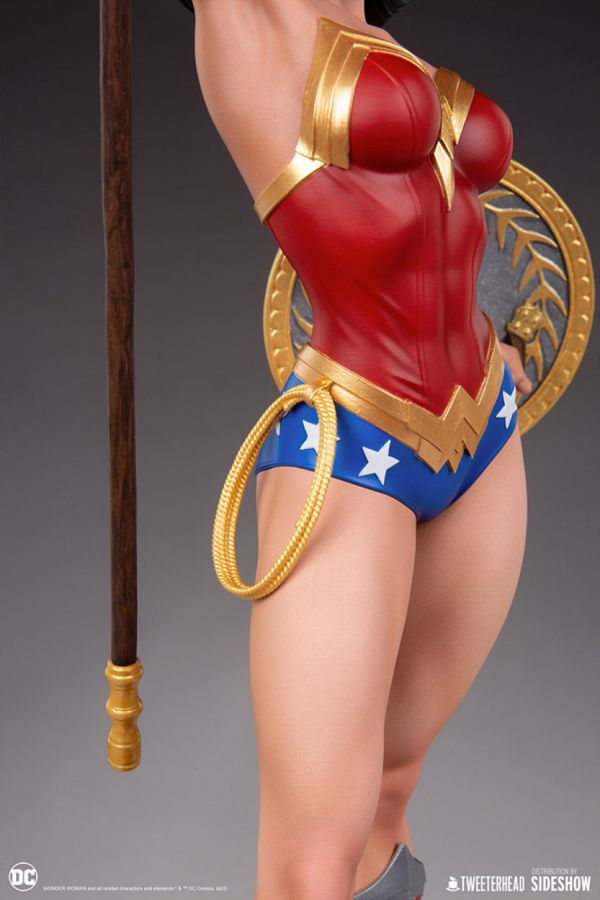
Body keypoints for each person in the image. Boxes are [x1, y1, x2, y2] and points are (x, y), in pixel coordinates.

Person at [188, 1, 531, 897]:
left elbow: (450, 214)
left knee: (390, 787)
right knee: (311, 860)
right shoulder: (253, 22)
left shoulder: (375, 30)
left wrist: (500, 329)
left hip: (482, 431)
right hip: (352, 448)